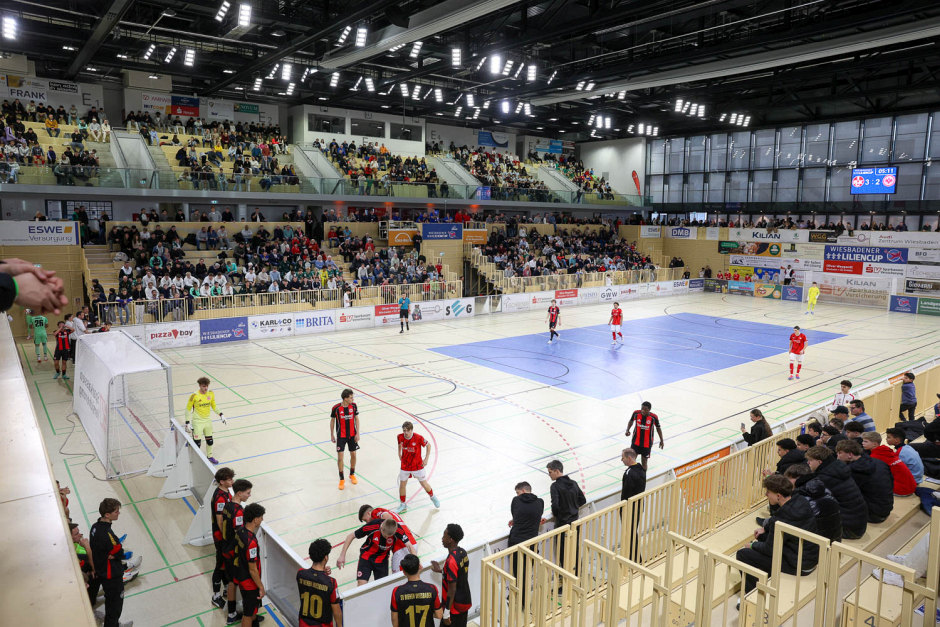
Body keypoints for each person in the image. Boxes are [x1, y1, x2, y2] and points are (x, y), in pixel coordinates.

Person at [734, 475, 819, 595]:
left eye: (768, 492)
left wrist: (752, 545)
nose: (766, 495)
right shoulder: (801, 500)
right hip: (810, 557)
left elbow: (769, 550)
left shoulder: (780, 520)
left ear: (778, 496)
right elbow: (781, 517)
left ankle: (752, 594)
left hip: (799, 565)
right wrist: (765, 529)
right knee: (762, 537)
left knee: (743, 554)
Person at [804, 445, 867, 539]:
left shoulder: (823, 478)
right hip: (859, 523)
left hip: (847, 529)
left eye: (810, 460)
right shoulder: (838, 468)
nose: (808, 462)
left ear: (819, 462)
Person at [336, 518, 414, 586]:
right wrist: (342, 555)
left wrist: (415, 562)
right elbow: (350, 536)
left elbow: (410, 546)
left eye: (389, 536)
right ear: (381, 527)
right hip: (366, 557)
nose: (387, 538)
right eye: (385, 536)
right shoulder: (372, 526)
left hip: (382, 560)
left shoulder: (398, 530)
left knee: (382, 587)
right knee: (361, 585)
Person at [89, 498, 131, 627]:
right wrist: (115, 554)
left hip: (100, 568)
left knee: (111, 601)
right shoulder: (107, 534)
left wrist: (111, 554)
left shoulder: (95, 526)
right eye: (116, 511)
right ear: (107, 515)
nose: (119, 513)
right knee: (115, 605)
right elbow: (119, 551)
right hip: (111, 575)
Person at [836, 439, 894, 523]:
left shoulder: (852, 471)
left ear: (850, 454)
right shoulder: (878, 462)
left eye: (839, 453)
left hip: (873, 514)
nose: (837, 456)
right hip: (887, 506)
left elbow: (846, 495)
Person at [221, 479, 253, 624]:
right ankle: (234, 614)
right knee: (236, 583)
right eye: (248, 493)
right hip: (233, 552)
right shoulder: (238, 511)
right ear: (239, 493)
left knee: (231, 582)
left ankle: (232, 611)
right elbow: (240, 533)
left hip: (225, 548)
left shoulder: (228, 504)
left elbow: (223, 524)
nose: (249, 495)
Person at [784, 464, 842, 543]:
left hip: (814, 546)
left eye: (788, 479)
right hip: (834, 542)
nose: (786, 483)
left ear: (797, 479)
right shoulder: (826, 490)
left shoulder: (800, 498)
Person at [546, 460, 586, 571]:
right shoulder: (573, 483)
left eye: (550, 472)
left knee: (562, 551)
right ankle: (577, 573)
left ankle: (565, 576)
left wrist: (560, 514)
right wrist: (573, 507)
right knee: (575, 548)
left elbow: (555, 505)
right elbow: (582, 500)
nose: (549, 475)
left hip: (563, 524)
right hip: (575, 522)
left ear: (556, 471)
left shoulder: (555, 486)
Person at [430, 524, 471, 627]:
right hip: (464, 601)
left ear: (450, 539)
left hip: (454, 609)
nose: (442, 539)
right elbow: (459, 573)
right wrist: (441, 570)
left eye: (444, 536)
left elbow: (452, 589)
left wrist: (446, 613)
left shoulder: (451, 561)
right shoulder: (463, 552)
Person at [357, 504, 416, 573]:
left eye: (365, 520)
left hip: (401, 547)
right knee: (409, 573)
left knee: (397, 576)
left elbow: (388, 518)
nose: (367, 523)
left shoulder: (375, 512)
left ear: (368, 513)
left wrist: (384, 532)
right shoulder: (390, 512)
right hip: (412, 544)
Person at [396, 421, 440, 514]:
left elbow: (428, 445)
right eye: (404, 431)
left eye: (407, 431)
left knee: (424, 484)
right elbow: (399, 444)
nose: (405, 433)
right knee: (402, 485)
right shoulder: (400, 436)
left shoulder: (418, 438)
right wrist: (399, 453)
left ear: (411, 430)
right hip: (405, 466)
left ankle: (433, 497)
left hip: (417, 466)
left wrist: (426, 459)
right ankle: (403, 504)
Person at [234, 503, 266, 627]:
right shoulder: (251, 542)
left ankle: (254, 621)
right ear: (255, 519)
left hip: (241, 575)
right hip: (249, 583)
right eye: (261, 517)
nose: (262, 519)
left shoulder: (240, 531)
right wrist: (261, 586)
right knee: (247, 613)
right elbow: (252, 569)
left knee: (251, 608)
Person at [298, 538, 343, 627]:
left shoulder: (300, 574)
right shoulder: (331, 582)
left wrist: (322, 572)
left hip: (303, 623)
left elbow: (312, 578)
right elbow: (336, 611)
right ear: (326, 558)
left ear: (311, 556)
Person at [391, 554, 441, 627]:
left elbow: (395, 623)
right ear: (420, 567)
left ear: (404, 572)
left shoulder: (397, 591)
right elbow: (439, 615)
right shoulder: (432, 588)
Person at [210, 467, 235, 613]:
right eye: (229, 479)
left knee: (225, 562)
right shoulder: (220, 497)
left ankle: (226, 588)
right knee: (220, 565)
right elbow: (220, 521)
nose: (232, 481)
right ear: (221, 481)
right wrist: (226, 537)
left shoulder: (226, 492)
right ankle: (216, 595)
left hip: (225, 536)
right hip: (221, 537)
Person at [186, 376, 226, 464]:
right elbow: (188, 409)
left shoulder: (210, 394)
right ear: (200, 386)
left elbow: (214, 406)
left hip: (207, 421)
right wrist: (187, 422)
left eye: (207, 386)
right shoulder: (194, 396)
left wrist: (221, 414)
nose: (206, 388)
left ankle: (210, 456)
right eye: (204, 386)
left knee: (210, 441)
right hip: (197, 422)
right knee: (197, 443)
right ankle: (193, 459)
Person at [862, 432, 916, 496]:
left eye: (865, 441)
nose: (862, 443)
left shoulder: (875, 457)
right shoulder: (885, 450)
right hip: (911, 486)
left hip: (902, 490)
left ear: (874, 444)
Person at [329, 388, 359, 490]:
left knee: (353, 454)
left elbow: (356, 419)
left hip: (352, 435)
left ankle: (352, 474)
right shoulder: (336, 408)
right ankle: (341, 479)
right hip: (341, 436)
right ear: (345, 398)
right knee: (340, 458)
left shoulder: (354, 406)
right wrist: (332, 434)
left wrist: (358, 433)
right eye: (351, 397)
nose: (353, 399)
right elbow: (332, 421)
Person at [620, 448, 646, 561]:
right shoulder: (642, 469)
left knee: (630, 533)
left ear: (629, 458)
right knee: (632, 532)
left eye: (623, 458)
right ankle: (634, 557)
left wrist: (623, 508)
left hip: (630, 508)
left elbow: (626, 493)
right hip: (639, 506)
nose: (622, 460)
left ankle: (635, 559)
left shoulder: (629, 473)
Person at [625, 401, 664, 469]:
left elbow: (658, 428)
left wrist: (661, 440)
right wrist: (627, 430)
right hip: (635, 442)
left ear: (649, 409)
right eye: (642, 409)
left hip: (647, 444)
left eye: (645, 409)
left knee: (644, 462)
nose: (643, 411)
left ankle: (643, 475)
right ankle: (631, 474)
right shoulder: (636, 413)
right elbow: (631, 421)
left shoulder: (653, 417)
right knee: (631, 460)